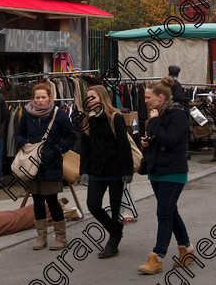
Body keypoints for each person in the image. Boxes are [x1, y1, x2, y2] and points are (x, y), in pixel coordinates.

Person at [138, 77, 195, 274]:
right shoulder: (157, 114)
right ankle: (186, 249)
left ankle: (157, 257)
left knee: (163, 214)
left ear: (160, 97)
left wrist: (154, 123)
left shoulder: (178, 115)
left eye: (148, 97)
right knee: (171, 212)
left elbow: (169, 140)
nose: (145, 100)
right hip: (157, 170)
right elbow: (158, 139)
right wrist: (147, 142)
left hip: (173, 171)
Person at [16, 82, 76, 250]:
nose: (40, 101)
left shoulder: (59, 114)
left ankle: (60, 237)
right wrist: (23, 143)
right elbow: (19, 133)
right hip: (33, 164)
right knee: (37, 200)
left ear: (50, 98)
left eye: (43, 97)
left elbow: (71, 137)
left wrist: (56, 150)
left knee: (52, 200)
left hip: (51, 164)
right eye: (37, 97)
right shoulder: (27, 114)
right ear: (33, 98)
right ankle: (41, 237)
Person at [80, 84, 133, 259]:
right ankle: (115, 232)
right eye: (88, 98)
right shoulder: (87, 119)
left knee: (116, 207)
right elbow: (85, 148)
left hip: (115, 169)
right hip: (96, 170)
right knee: (93, 204)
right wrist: (84, 171)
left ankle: (113, 243)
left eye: (93, 97)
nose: (90, 101)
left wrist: (127, 171)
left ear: (102, 98)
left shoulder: (115, 117)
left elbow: (123, 145)